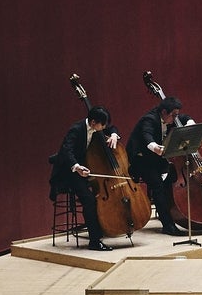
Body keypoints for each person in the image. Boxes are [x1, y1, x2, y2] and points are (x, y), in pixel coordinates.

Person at [51, 104, 120, 250]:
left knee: (97, 196)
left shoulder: (98, 126)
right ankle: (94, 241)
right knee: (89, 200)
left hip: (85, 170)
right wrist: (76, 167)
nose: (104, 127)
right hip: (69, 172)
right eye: (103, 124)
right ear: (93, 122)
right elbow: (66, 151)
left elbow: (112, 128)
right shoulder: (76, 130)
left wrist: (113, 135)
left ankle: (102, 229)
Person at [126, 94, 186, 233]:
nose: (176, 118)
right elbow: (147, 135)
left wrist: (190, 123)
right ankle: (167, 225)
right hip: (141, 159)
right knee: (157, 186)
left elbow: (185, 118)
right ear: (164, 112)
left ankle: (169, 211)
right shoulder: (149, 119)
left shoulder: (170, 117)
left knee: (171, 180)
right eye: (174, 115)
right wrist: (154, 147)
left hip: (157, 159)